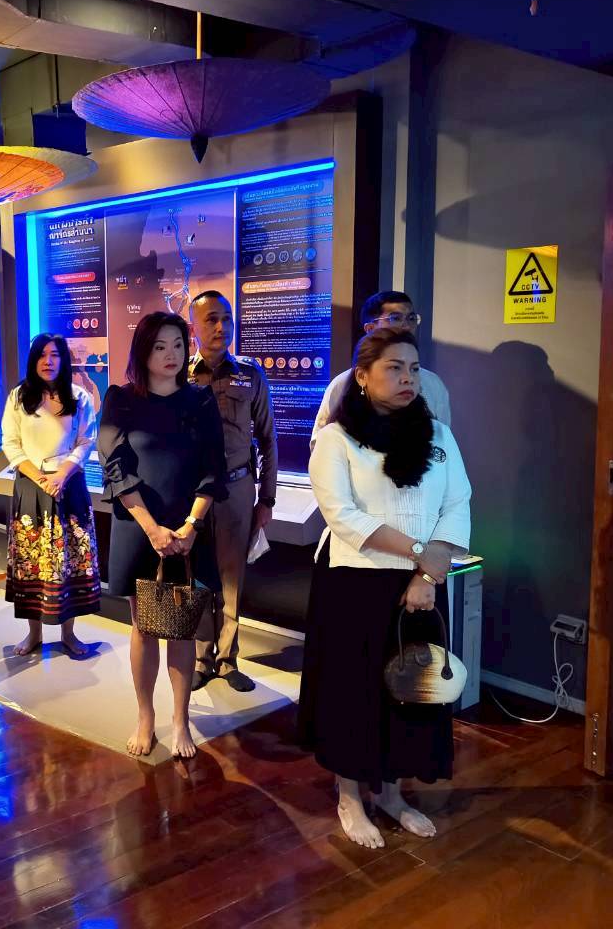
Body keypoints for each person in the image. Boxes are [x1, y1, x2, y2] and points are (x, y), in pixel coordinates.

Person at [299, 328, 471, 849]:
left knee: (408, 692)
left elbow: (458, 503)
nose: (407, 378)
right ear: (363, 376)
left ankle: (392, 792)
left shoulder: (438, 435)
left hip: (420, 585)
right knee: (353, 692)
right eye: (394, 368)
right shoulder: (337, 437)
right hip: (354, 580)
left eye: (413, 368)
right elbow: (342, 515)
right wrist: (420, 555)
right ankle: (350, 795)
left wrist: (427, 575)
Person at [98, 312, 227, 760]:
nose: (171, 355)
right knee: (144, 626)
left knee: (182, 627)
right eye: (159, 346)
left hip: (188, 528)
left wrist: (192, 525)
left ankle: (180, 718)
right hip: (139, 528)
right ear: (143, 352)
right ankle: (145, 715)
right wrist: (152, 528)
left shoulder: (201, 400)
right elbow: (115, 466)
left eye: (177, 345)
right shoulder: (121, 399)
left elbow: (213, 466)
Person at [187, 290, 276, 693]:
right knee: (197, 576)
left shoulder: (250, 374)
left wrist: (267, 499)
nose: (221, 327)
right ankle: (200, 658)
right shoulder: (180, 375)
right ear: (194, 326)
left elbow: (269, 439)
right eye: (211, 319)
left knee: (232, 578)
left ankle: (227, 660)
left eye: (226, 318)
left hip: (238, 489)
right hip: (193, 494)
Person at [1, 333, 101, 658]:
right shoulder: (19, 397)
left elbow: (86, 441)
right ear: (33, 360)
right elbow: (10, 443)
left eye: (55, 355)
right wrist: (41, 478)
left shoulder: (79, 396)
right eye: (42, 355)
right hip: (32, 487)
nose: (48, 361)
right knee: (32, 563)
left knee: (69, 562)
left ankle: (69, 634)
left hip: (69, 486)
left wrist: (61, 475)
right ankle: (34, 634)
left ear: (63, 360)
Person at [312, 291, 451, 434]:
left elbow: (443, 440)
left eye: (411, 318)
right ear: (370, 329)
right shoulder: (341, 385)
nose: (406, 326)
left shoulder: (433, 384)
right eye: (395, 318)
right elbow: (320, 441)